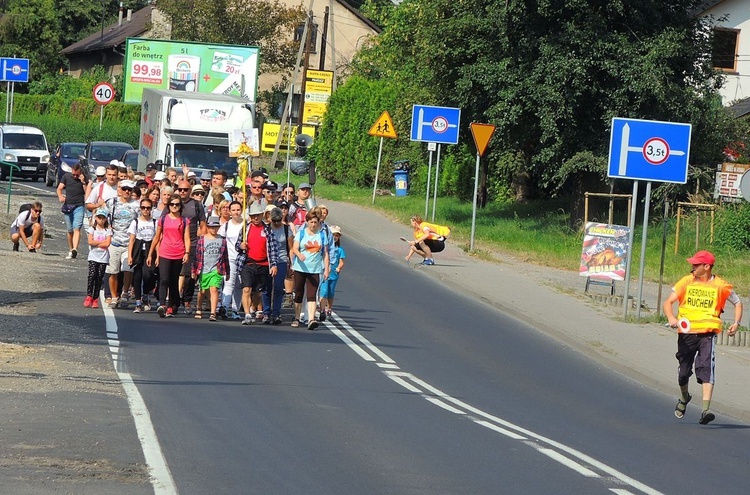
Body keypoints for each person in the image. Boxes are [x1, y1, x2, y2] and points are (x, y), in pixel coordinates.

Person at [663, 250, 743, 425]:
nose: (692, 267)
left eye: (695, 265)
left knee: (706, 367)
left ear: (706, 267)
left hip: (708, 335)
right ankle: (684, 397)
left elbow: (737, 302)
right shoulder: (686, 281)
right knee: (683, 373)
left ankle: (705, 410)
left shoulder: (720, 285)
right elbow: (668, 302)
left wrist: (736, 323)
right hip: (686, 335)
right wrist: (671, 318)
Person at [236, 202, 279, 325]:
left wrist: (274, 264)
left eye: (258, 215)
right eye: (253, 215)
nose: (256, 218)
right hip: (248, 263)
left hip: (263, 265)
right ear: (250, 216)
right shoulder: (246, 229)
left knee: (258, 292)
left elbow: (273, 249)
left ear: (262, 215)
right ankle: (247, 314)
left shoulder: (267, 230)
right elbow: (237, 246)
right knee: (246, 289)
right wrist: (241, 246)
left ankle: (253, 308)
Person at [148, 194, 190, 318]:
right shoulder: (163, 219)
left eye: (177, 204)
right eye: (172, 204)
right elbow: (157, 237)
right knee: (164, 278)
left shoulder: (184, 220)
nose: (174, 206)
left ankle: (173, 304)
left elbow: (186, 238)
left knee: (173, 280)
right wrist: (151, 254)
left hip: (178, 253)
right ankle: (162, 304)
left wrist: (187, 253)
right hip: (165, 252)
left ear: (180, 206)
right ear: (168, 206)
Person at [290, 210, 329, 330]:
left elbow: (325, 253)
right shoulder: (301, 234)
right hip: (300, 268)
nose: (313, 224)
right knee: (299, 293)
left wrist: (326, 269)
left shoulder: (322, 235)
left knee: (312, 295)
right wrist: (299, 254)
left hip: (315, 269)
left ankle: (311, 319)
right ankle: (297, 318)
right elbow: (295, 248)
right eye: (311, 222)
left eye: (315, 222)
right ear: (307, 222)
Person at [104, 179, 139, 308]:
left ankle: (125, 293)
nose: (127, 192)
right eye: (124, 189)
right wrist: (107, 229)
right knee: (113, 271)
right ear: (120, 190)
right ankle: (114, 296)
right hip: (114, 242)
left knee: (127, 269)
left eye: (129, 190)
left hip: (129, 243)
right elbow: (100, 216)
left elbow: (141, 221)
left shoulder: (136, 205)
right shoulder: (112, 202)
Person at [176, 180, 207, 314]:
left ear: (190, 191)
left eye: (185, 190)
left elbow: (203, 223)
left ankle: (187, 300)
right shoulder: (174, 203)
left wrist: (202, 240)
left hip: (193, 242)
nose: (183, 192)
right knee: (177, 273)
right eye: (180, 189)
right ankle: (175, 298)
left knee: (189, 274)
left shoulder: (196, 205)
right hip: (176, 242)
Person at [191, 216, 230, 321]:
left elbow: (225, 257)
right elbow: (197, 257)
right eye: (211, 227)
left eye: (216, 227)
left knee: (214, 289)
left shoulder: (222, 240)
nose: (214, 229)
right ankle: (199, 307)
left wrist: (228, 272)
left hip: (216, 269)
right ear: (208, 227)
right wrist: (194, 270)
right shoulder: (202, 240)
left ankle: (213, 313)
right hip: (204, 269)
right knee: (202, 291)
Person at [263, 206, 293, 325]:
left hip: (281, 260)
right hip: (268, 260)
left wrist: (291, 263)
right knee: (266, 287)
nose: (276, 223)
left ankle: (276, 313)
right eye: (274, 220)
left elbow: (290, 248)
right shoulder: (266, 229)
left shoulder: (286, 229)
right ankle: (266, 312)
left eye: (278, 220)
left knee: (279, 288)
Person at [128, 198, 158, 313]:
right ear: (140, 209)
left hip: (150, 250)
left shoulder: (154, 222)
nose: (145, 210)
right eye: (143, 208)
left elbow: (157, 240)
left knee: (148, 275)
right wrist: (130, 255)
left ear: (151, 209)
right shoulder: (135, 222)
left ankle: (146, 294)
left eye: (148, 208)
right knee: (137, 276)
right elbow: (131, 240)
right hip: (138, 250)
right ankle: (138, 302)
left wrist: (157, 256)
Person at [218, 201, 245, 320]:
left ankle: (235, 310)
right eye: (233, 210)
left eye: (238, 210)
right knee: (229, 283)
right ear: (229, 211)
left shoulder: (246, 225)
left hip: (243, 259)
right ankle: (224, 307)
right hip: (230, 258)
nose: (236, 212)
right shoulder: (226, 225)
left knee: (239, 285)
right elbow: (220, 240)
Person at [57, 163, 88, 259]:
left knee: (77, 228)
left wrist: (83, 182)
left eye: (77, 175)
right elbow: (59, 188)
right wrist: (60, 196)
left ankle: (75, 248)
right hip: (68, 206)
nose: (75, 176)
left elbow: (87, 192)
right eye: (73, 174)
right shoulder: (66, 177)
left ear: (80, 173)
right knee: (70, 230)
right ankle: (71, 249)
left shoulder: (84, 178)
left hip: (79, 206)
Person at [84, 208, 112, 308]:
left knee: (99, 278)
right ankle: (89, 295)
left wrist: (97, 243)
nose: (101, 220)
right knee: (92, 276)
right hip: (93, 256)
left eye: (103, 218)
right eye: (99, 217)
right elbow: (90, 241)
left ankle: (95, 298)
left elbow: (107, 243)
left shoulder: (107, 231)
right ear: (96, 218)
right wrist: (101, 243)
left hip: (103, 258)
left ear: (105, 219)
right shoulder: (92, 229)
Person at [319, 225, 345, 321]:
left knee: (330, 292)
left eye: (337, 235)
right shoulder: (325, 247)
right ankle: (322, 310)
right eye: (333, 235)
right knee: (324, 291)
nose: (334, 237)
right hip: (324, 270)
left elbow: (341, 262)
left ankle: (329, 309)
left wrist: (338, 268)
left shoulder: (339, 250)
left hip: (334, 273)